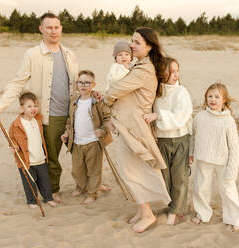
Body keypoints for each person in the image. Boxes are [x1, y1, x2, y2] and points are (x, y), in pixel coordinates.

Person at [0, 13, 79, 203]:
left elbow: (77, 83)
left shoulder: (69, 54)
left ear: (61, 28)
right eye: (49, 27)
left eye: (57, 27)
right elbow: (17, 82)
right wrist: (1, 104)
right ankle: (52, 190)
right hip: (49, 116)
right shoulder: (33, 54)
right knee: (51, 157)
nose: (54, 31)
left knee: (81, 152)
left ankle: (87, 185)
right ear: (41, 29)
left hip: (72, 114)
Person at [105, 27, 171, 233]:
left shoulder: (144, 69)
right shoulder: (140, 65)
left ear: (149, 46)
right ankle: (143, 211)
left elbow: (117, 88)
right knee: (131, 169)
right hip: (129, 124)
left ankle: (148, 214)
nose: (131, 45)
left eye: (137, 42)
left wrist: (107, 97)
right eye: (131, 41)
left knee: (132, 170)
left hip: (134, 126)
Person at [143, 57, 193, 225]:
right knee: (165, 177)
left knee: (179, 177)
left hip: (180, 139)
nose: (175, 75)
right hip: (162, 140)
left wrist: (159, 116)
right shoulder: (156, 92)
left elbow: (181, 116)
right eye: (170, 72)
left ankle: (176, 210)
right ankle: (171, 205)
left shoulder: (182, 92)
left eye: (177, 71)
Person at [189, 82, 239, 232]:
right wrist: (191, 153)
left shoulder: (228, 120)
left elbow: (234, 147)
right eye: (210, 96)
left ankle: (234, 218)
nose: (213, 99)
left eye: (217, 97)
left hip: (222, 161)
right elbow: (193, 136)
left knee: (228, 190)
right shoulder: (200, 116)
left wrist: (233, 168)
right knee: (201, 188)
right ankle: (202, 213)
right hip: (203, 158)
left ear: (224, 100)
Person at [61, 70, 112, 205]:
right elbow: (69, 121)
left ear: (93, 84)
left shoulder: (97, 101)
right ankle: (81, 187)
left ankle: (92, 193)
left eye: (87, 82)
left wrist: (102, 130)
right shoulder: (74, 101)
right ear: (77, 84)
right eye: (80, 82)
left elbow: (107, 118)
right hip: (77, 142)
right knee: (78, 168)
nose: (83, 85)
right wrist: (67, 133)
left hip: (93, 142)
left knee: (94, 169)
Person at [9, 92, 57, 209]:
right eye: (29, 106)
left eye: (35, 105)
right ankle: (32, 201)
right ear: (22, 108)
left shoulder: (38, 119)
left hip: (40, 158)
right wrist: (14, 146)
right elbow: (11, 138)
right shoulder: (16, 125)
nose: (33, 108)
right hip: (27, 161)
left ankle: (48, 198)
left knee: (45, 181)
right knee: (29, 183)